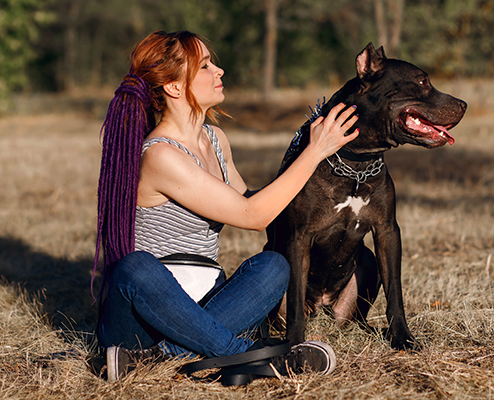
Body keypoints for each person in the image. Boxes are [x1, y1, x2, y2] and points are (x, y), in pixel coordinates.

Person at [92, 30, 359, 382]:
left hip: (209, 305)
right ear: (173, 86)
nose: (219, 71)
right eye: (205, 66)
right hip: (142, 320)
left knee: (274, 265)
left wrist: (311, 157)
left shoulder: (215, 140)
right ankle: (250, 357)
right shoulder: (161, 155)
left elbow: (257, 206)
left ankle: (157, 359)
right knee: (136, 267)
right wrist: (314, 152)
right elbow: (254, 216)